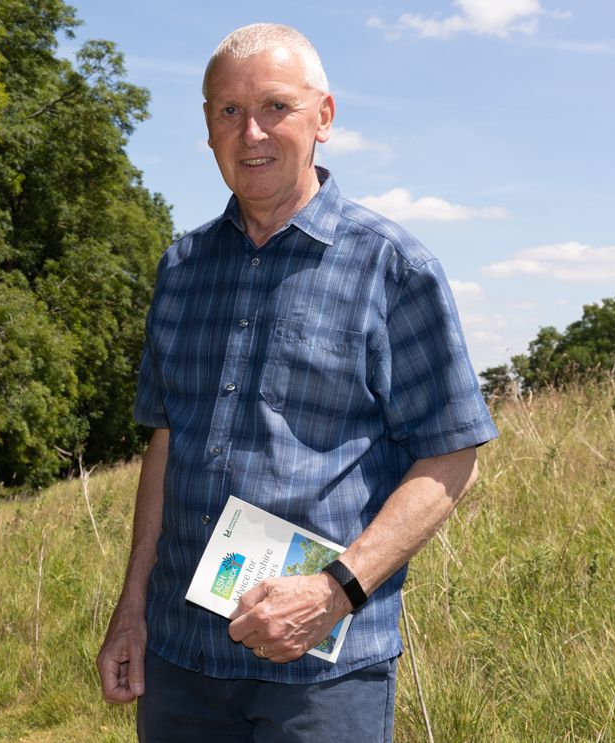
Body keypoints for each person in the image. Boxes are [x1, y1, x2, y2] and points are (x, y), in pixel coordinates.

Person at [95, 23, 499, 742]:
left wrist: (332, 590)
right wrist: (132, 608)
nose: (251, 132)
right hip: (181, 662)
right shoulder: (181, 270)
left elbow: (452, 458)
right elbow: (166, 443)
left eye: (276, 107)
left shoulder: (395, 269)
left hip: (322, 675)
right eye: (228, 111)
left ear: (325, 117)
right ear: (208, 128)